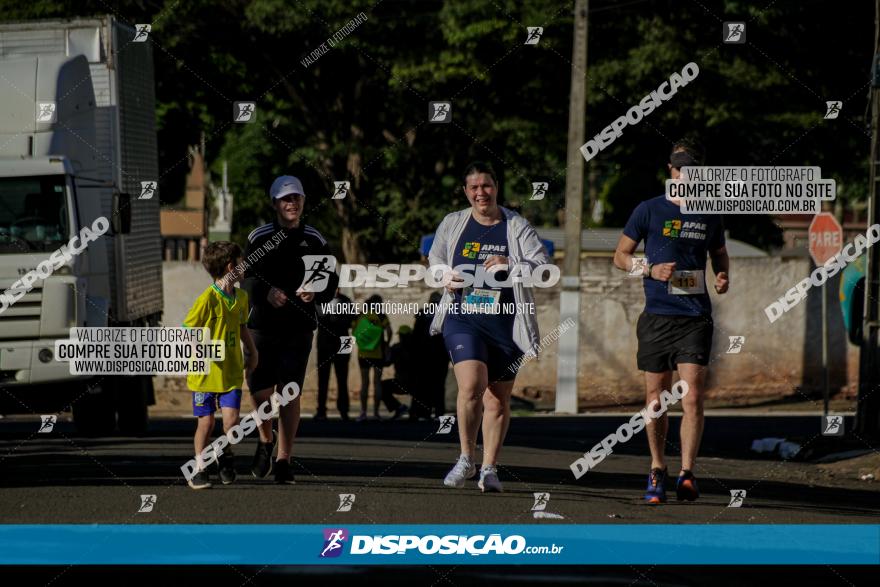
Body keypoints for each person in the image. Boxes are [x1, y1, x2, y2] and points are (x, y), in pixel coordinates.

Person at [612, 138, 729, 504]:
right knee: (656, 398)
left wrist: (723, 275)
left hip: (694, 317)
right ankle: (658, 467)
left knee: (692, 397)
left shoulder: (710, 213)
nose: (685, 176)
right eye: (680, 170)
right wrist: (648, 268)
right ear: (670, 171)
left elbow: (719, 254)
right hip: (657, 318)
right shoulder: (649, 210)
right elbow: (620, 256)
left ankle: (687, 473)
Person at [429, 161, 549, 493]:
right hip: (462, 317)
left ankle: (490, 468)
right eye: (474, 188)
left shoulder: (516, 226)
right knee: (472, 385)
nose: (481, 193)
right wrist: (444, 275)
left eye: (486, 186)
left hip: (506, 323)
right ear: (466, 192)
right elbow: (435, 261)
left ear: (496, 187)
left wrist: (511, 262)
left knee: (497, 399)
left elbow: (542, 266)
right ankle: (466, 457)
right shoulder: (453, 223)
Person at [243, 175, 339, 484]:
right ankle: (265, 439)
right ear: (274, 204)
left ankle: (284, 458)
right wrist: (266, 292)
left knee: (288, 391)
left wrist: (317, 292)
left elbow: (331, 281)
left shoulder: (314, 239)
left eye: (296, 198)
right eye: (285, 199)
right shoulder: (259, 237)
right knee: (260, 389)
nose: (291, 203)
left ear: (303, 202)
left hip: (298, 327)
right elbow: (244, 279)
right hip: (262, 326)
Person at [182, 241, 258, 490]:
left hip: (231, 371)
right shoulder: (207, 299)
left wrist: (253, 351)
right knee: (206, 423)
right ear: (230, 267)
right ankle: (200, 467)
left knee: (232, 422)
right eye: (241, 261)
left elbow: (242, 327)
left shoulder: (242, 297)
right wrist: (198, 351)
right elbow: (188, 329)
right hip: (205, 374)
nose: (245, 264)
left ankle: (224, 454)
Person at [352, 294, 407, 420]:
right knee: (377, 382)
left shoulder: (361, 315)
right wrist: (386, 345)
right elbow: (389, 331)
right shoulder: (381, 316)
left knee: (364, 383)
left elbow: (354, 331)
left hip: (364, 353)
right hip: (378, 354)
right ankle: (376, 413)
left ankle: (363, 412)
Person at [315, 288, 355, 421]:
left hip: (342, 342)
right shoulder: (319, 300)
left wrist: (337, 319)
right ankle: (321, 410)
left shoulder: (346, 301)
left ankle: (343, 410)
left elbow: (351, 320)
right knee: (323, 379)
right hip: (325, 343)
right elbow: (317, 319)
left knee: (342, 379)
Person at [412, 291, 450, 419]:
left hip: (424, 356)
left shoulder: (423, 314)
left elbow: (415, 336)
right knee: (439, 385)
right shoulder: (444, 314)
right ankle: (439, 412)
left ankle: (425, 412)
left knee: (424, 384)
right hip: (441, 355)